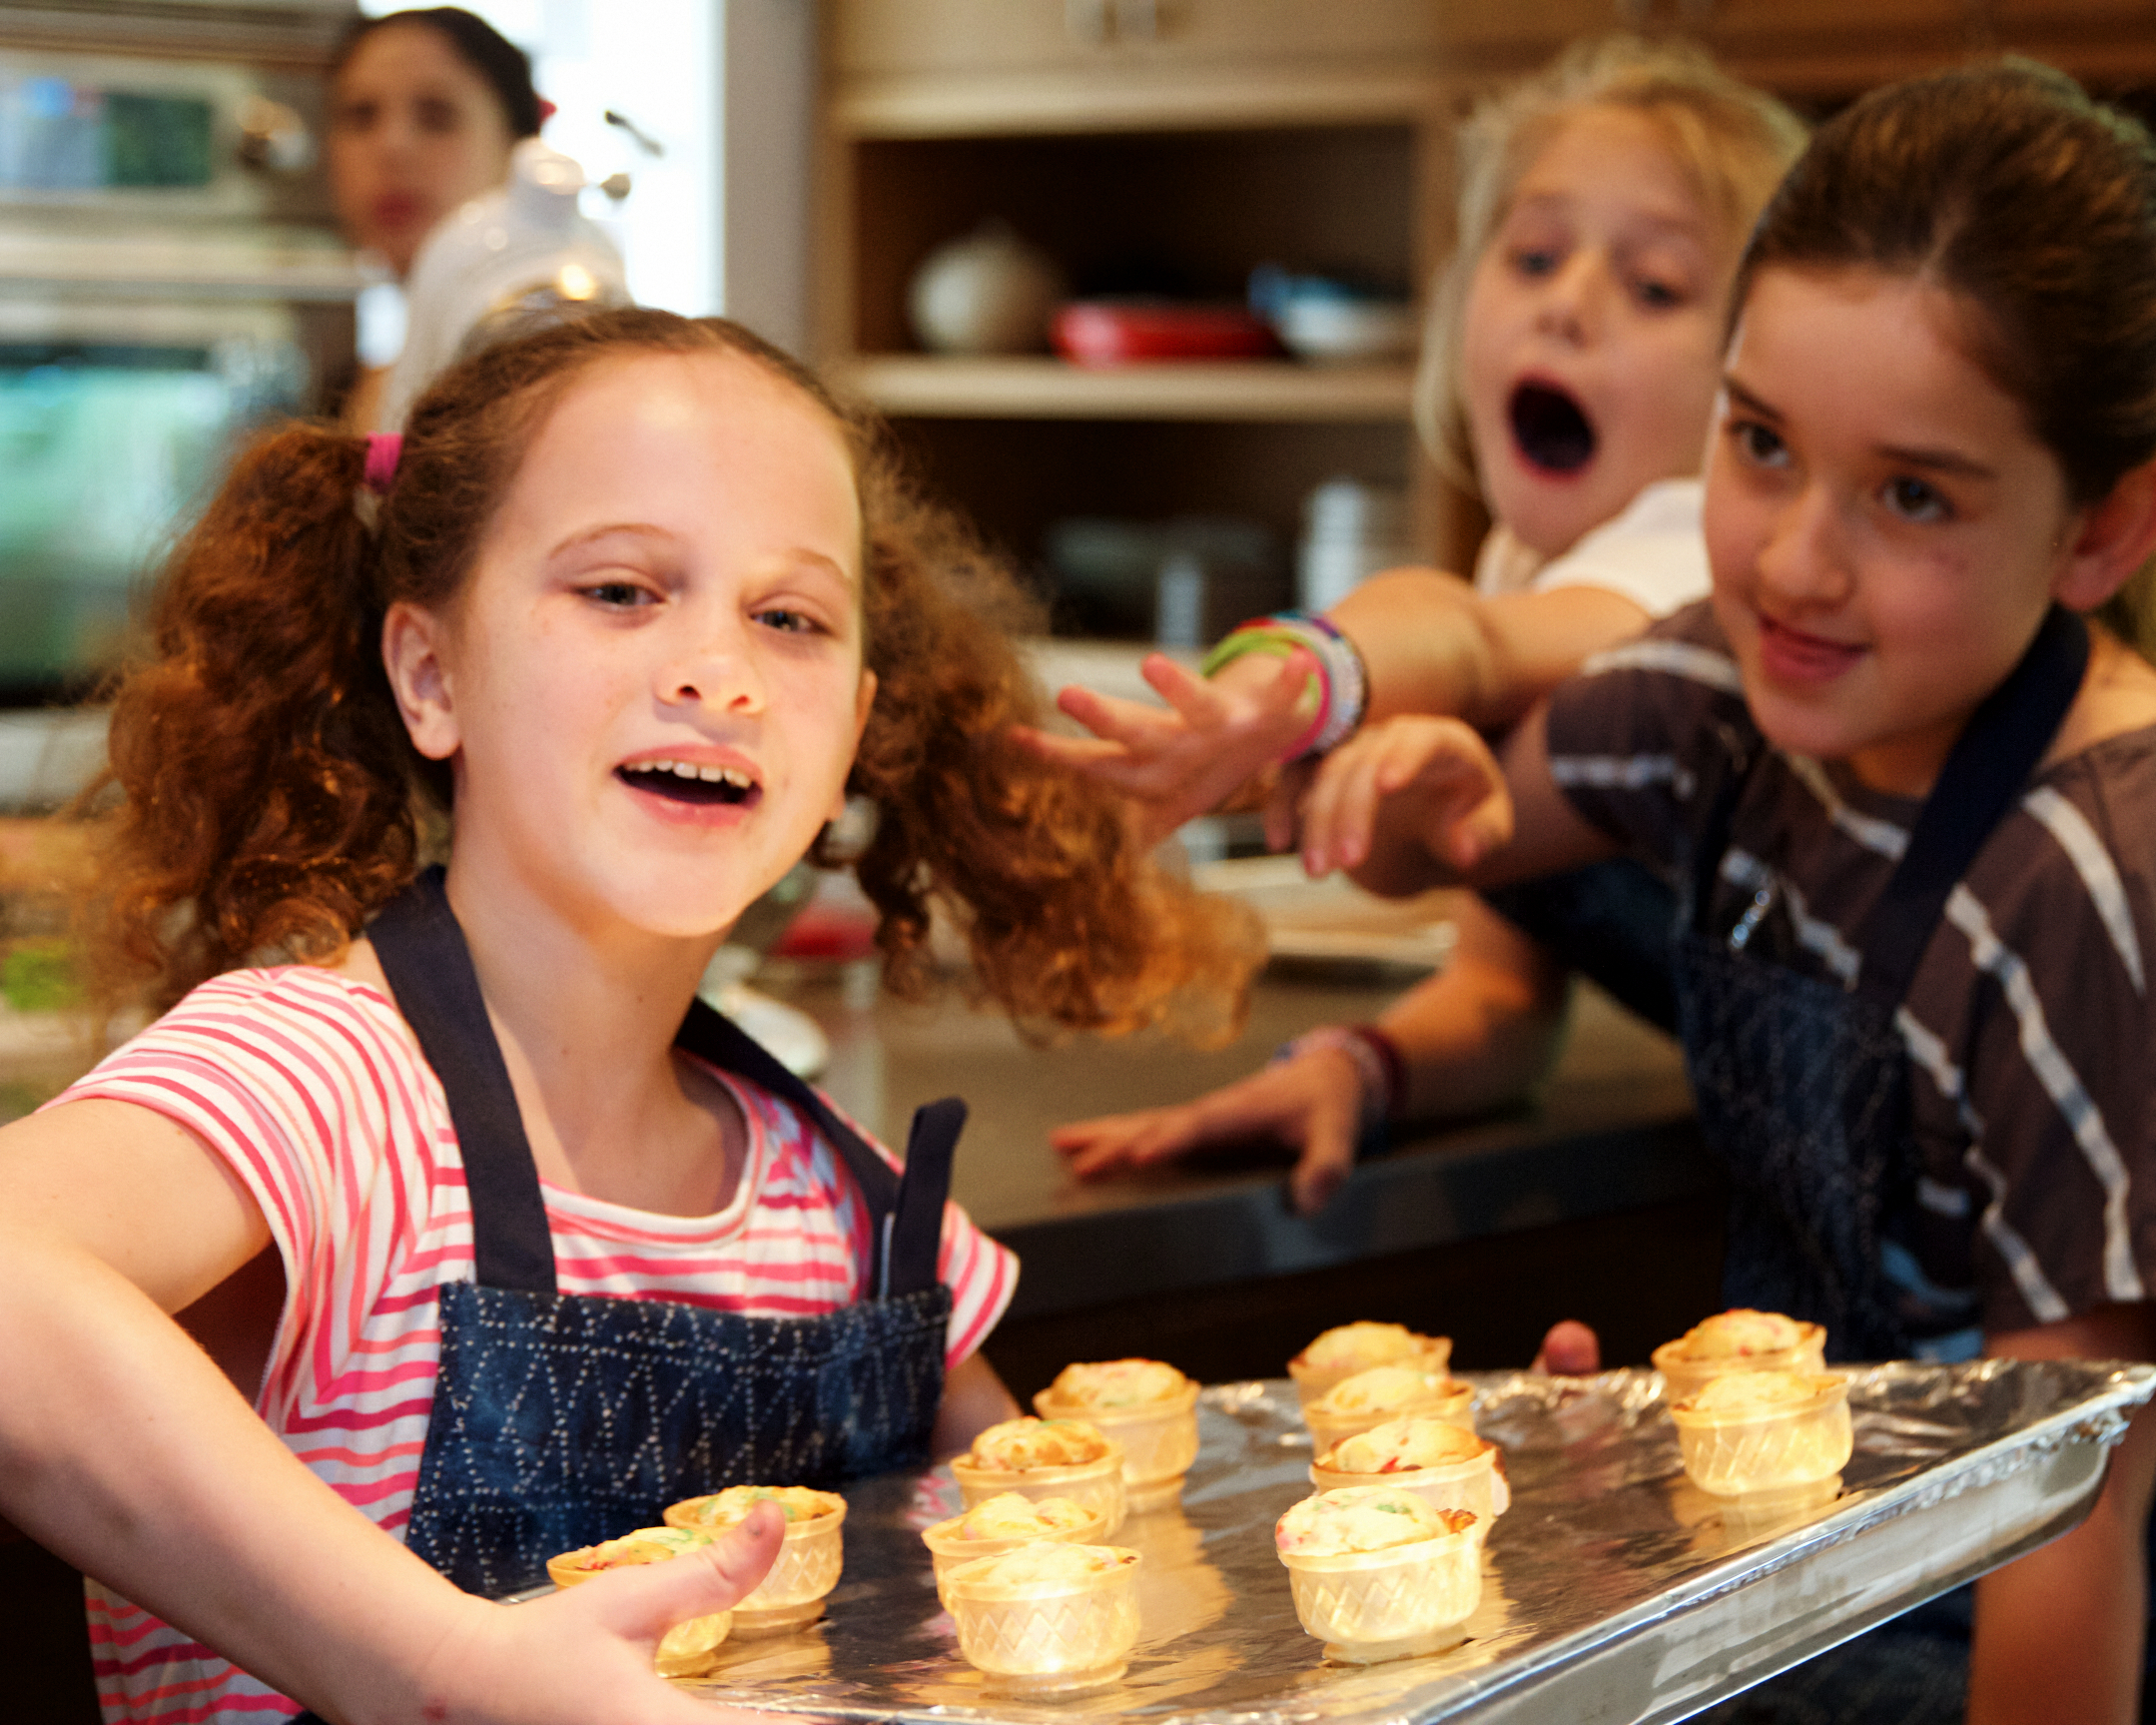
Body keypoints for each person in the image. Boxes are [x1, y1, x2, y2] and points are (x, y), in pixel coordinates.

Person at [0, 309, 1251, 1725]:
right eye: (619, 589)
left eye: (788, 618)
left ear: (849, 728)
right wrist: (444, 1666)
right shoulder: (325, 1085)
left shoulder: (842, 1201)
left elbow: (1088, 1612)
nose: (715, 670)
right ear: (431, 674)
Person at [1300, 60, 2156, 1725]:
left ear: (2100, 531)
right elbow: (1462, 838)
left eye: (1906, 493)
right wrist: (1400, 795)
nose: (1789, 560)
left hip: (1994, 1621)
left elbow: (2069, 1497)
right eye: (1757, 445)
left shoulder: (2087, 877)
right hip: (1813, 1551)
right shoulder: (1726, 697)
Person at [1032, 37, 1805, 1219]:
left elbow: (1466, 649)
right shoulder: (1524, 565)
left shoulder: (1692, 551)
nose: (1567, 303)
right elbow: (1501, 995)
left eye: (1654, 286)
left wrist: (1294, 687)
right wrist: (1358, 1068)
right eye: (1533, 253)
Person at [327, 8, 543, 429]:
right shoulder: (354, 390)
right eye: (361, 116)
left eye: (436, 116)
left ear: (518, 147)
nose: (392, 147)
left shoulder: (556, 367)